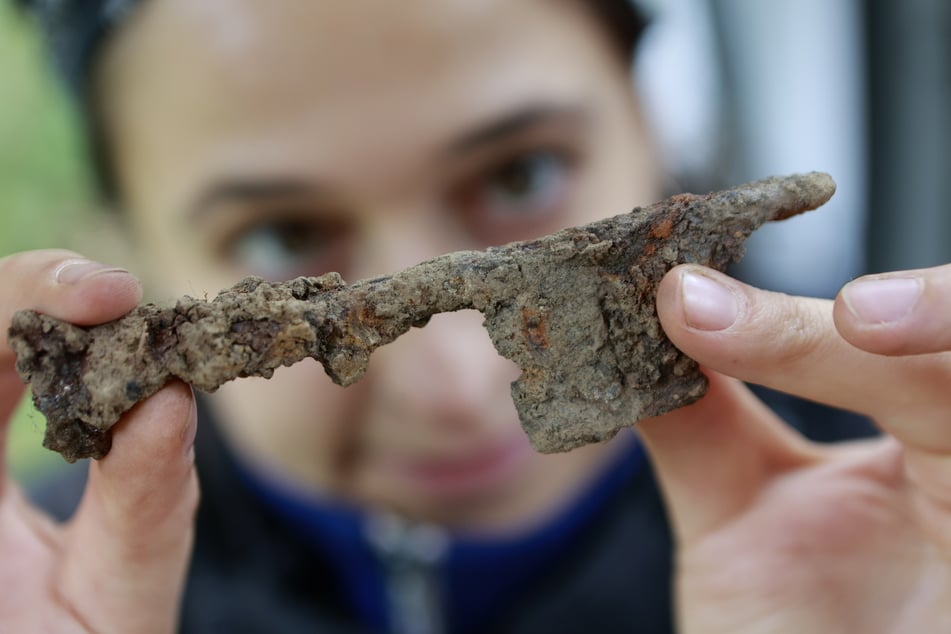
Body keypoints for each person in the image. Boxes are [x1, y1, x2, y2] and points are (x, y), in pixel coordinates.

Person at [1, 1, 949, 632]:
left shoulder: (913, 503)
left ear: (651, 124)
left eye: (519, 174)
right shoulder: (45, 590)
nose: (457, 383)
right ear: (124, 240)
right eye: (278, 234)